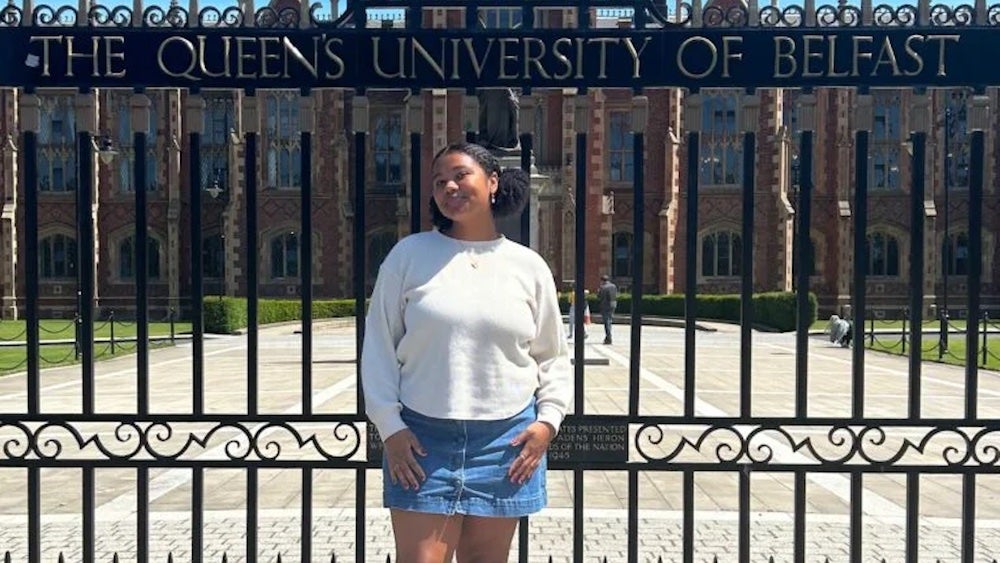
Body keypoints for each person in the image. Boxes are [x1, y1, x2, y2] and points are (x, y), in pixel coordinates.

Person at [361, 141, 572, 563]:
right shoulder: (409, 256)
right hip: (422, 439)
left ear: (493, 182)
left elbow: (551, 354)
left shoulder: (527, 266)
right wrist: (390, 427)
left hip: (505, 439)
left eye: (460, 175)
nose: (449, 187)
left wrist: (548, 422)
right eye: (440, 181)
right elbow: (379, 346)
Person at [596, 274, 618, 345]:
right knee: (610, 320)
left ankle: (609, 337)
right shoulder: (614, 286)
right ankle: (607, 337)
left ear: (602, 281)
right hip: (613, 305)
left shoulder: (603, 287)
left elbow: (599, 297)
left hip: (605, 306)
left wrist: (598, 291)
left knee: (607, 322)